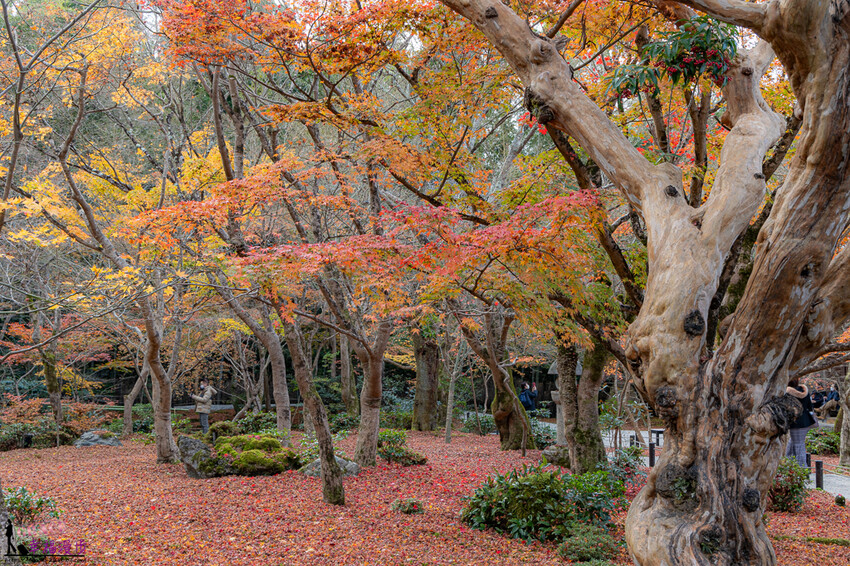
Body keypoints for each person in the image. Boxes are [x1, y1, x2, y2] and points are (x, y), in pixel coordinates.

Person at [785, 379, 816, 468]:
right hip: (806, 421)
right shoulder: (804, 391)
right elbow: (810, 406)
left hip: (795, 421)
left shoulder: (788, 393)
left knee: (798, 444)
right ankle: (788, 463)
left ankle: (802, 467)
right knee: (793, 442)